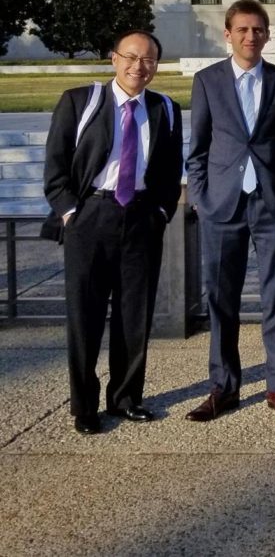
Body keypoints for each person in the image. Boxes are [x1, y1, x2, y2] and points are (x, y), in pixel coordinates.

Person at [42, 30, 183, 435]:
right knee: (84, 316)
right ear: (114, 59)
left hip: (140, 218)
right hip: (91, 216)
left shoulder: (165, 109)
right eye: (131, 57)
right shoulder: (80, 102)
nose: (140, 66)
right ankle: (84, 404)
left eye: (149, 60)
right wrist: (72, 214)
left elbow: (170, 172)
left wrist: (158, 211)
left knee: (134, 315)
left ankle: (125, 398)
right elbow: (55, 169)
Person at [185, 0, 275, 422]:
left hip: (272, 204)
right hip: (222, 204)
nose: (250, 36)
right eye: (242, 29)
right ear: (228, 34)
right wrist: (201, 197)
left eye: (257, 29)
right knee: (222, 300)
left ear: (267, 34)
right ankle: (224, 387)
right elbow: (197, 149)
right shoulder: (207, 81)